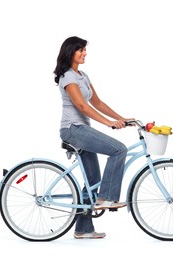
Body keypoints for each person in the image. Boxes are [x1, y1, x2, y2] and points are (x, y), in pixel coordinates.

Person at [54, 36, 134, 239]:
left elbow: (97, 102)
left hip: (82, 128)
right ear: (70, 52)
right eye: (80, 50)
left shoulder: (83, 76)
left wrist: (121, 118)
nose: (84, 53)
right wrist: (107, 123)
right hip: (73, 129)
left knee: (93, 180)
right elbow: (82, 106)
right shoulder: (68, 77)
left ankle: (83, 228)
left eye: (84, 50)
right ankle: (106, 198)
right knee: (119, 149)